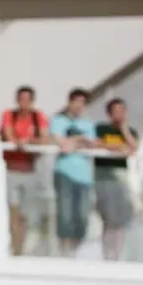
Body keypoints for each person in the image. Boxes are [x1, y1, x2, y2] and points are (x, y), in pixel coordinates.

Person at [0, 86, 50, 256]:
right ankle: (15, 248)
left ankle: (22, 246)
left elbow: (44, 139)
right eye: (21, 99)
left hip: (30, 170)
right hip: (13, 169)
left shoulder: (38, 117)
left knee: (26, 213)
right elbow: (8, 136)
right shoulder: (9, 115)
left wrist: (27, 142)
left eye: (27, 100)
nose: (24, 103)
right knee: (13, 210)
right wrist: (18, 142)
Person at [50, 88, 96, 257]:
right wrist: (79, 139)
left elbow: (91, 145)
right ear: (69, 102)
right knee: (65, 214)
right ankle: (65, 252)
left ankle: (75, 251)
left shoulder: (88, 124)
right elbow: (61, 144)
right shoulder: (58, 121)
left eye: (82, 103)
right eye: (76, 102)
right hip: (64, 172)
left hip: (84, 176)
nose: (79, 106)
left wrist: (73, 142)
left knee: (83, 216)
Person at [95, 98, 138, 261]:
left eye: (122, 110)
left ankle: (117, 255)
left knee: (120, 218)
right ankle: (107, 254)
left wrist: (124, 129)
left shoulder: (129, 131)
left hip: (121, 176)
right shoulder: (101, 128)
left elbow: (133, 148)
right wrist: (118, 147)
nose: (119, 114)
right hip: (103, 175)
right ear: (109, 114)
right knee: (108, 217)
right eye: (116, 111)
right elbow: (96, 144)